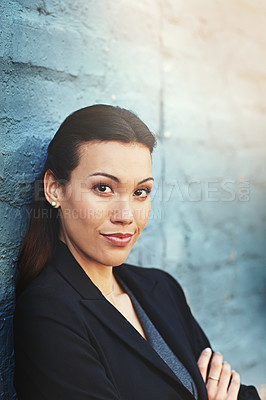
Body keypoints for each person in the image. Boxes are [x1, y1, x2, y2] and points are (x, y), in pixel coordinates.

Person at [13, 105, 260, 400]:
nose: (126, 215)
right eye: (103, 188)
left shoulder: (161, 288)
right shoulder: (49, 312)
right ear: (54, 189)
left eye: (140, 192)